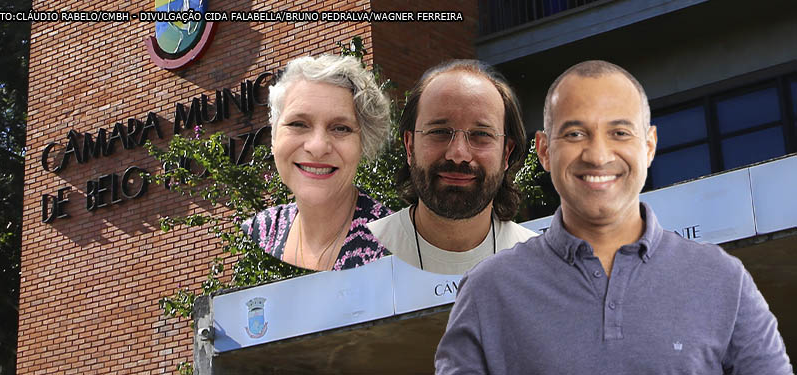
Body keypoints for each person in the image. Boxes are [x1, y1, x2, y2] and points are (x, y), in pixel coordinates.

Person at [435, 60, 792, 373]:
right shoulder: (489, 290)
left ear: (649, 145)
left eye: (619, 133)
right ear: (544, 150)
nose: (598, 154)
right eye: (575, 134)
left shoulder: (723, 280)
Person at [367, 60, 536, 275]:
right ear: (410, 147)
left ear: (506, 154)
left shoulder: (544, 269)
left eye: (481, 134)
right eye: (439, 132)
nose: (458, 155)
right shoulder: (355, 257)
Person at [242, 54, 393, 271]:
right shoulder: (260, 230)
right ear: (274, 138)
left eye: (340, 128)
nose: (318, 146)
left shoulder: (394, 244)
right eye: (298, 124)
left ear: (363, 144)